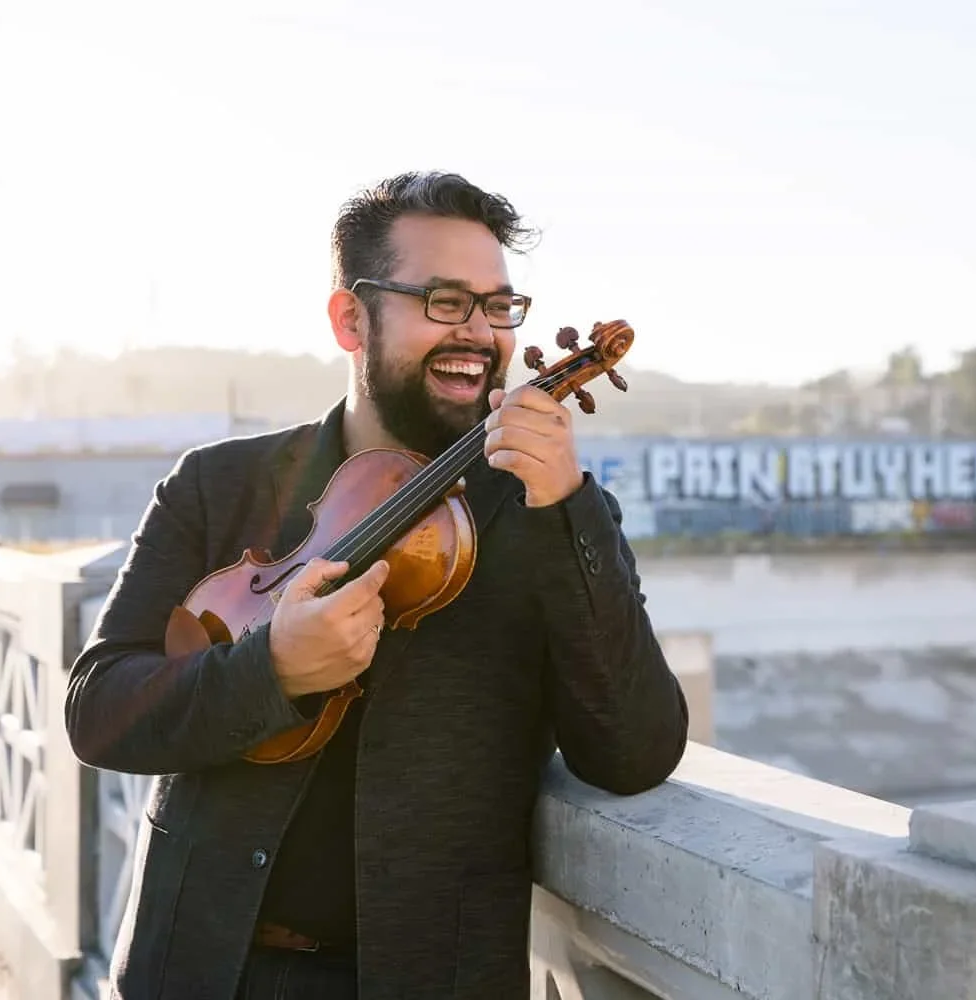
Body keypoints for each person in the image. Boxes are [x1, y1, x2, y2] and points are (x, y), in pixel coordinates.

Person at [63, 170, 690, 1000]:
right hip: (200, 967)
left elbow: (635, 752)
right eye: (442, 301)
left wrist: (570, 511)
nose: (479, 333)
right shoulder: (221, 485)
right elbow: (101, 710)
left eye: (498, 307)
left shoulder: (550, 513)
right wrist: (270, 671)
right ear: (350, 318)